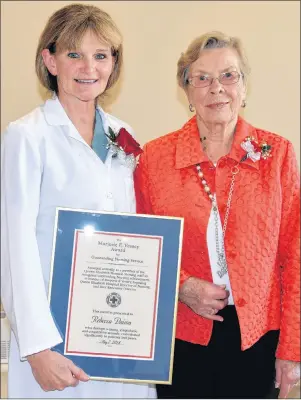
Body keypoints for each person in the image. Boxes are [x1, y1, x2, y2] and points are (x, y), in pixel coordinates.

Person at [1, 3, 156, 399]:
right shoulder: (27, 137)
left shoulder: (124, 133)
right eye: (75, 54)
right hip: (55, 338)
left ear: (113, 64)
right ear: (50, 61)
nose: (89, 67)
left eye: (100, 55)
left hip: (120, 331)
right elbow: (12, 246)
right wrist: (37, 348)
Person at [134, 31, 300, 399]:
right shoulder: (155, 158)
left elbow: (295, 258)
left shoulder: (278, 156)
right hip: (181, 335)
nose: (216, 88)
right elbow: (141, 245)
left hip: (259, 338)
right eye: (202, 78)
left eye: (228, 75)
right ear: (187, 91)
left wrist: (292, 351)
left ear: (244, 86)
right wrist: (181, 285)